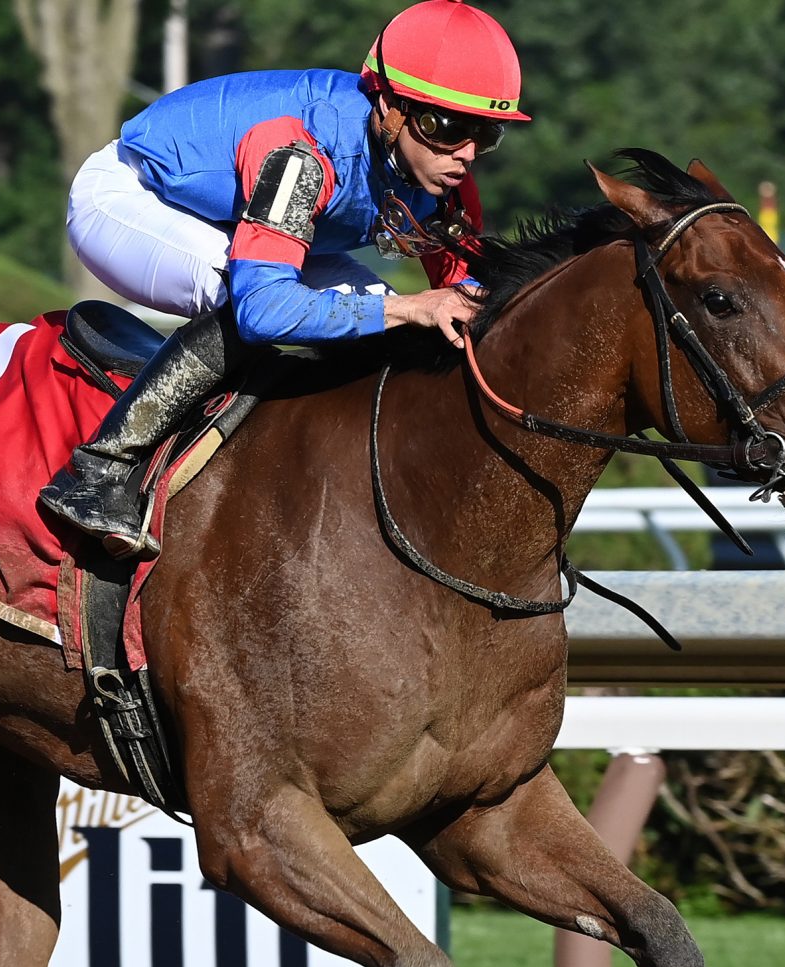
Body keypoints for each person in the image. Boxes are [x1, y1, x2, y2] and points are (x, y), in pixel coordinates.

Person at [39, 0, 532, 557]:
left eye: (485, 134)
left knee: (393, 324)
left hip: (238, 218)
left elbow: (465, 297)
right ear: (391, 108)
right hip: (133, 200)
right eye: (448, 128)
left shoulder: (442, 174)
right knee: (254, 299)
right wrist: (407, 307)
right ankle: (98, 470)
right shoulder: (300, 150)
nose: (466, 154)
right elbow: (263, 310)